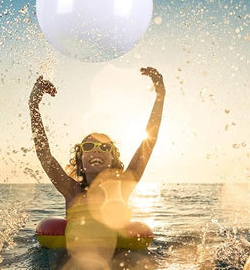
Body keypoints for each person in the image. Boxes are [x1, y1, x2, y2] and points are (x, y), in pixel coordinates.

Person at [29, 67, 165, 239]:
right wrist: (33, 105)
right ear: (80, 161)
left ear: (113, 158)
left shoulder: (123, 187)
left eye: (104, 147)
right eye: (88, 147)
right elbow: (44, 154)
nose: (96, 150)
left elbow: (149, 142)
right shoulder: (72, 191)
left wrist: (160, 97)